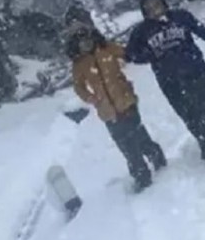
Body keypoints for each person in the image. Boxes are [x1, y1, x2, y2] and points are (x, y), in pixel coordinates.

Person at [125, 0, 205, 163]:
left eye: (157, 4)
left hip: (196, 71)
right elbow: (130, 55)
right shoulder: (141, 31)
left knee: (204, 110)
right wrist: (149, 54)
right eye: (149, 7)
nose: (154, 9)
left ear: (163, 3)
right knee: (188, 116)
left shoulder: (181, 17)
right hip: (169, 81)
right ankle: (204, 142)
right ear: (144, 11)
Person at [67, 16, 166, 193]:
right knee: (126, 147)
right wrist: (91, 98)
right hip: (107, 112)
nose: (86, 44)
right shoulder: (79, 65)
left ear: (93, 37)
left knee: (140, 137)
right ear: (75, 45)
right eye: (81, 42)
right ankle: (141, 176)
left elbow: (128, 54)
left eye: (87, 40)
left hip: (126, 101)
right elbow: (78, 87)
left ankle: (157, 158)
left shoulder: (107, 49)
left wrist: (146, 52)